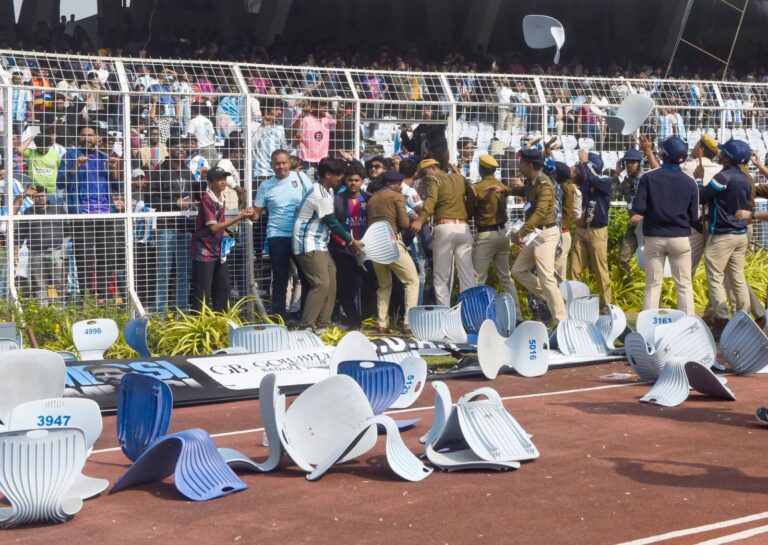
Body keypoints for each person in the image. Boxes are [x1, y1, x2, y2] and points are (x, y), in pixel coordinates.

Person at [293, 158, 363, 332]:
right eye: (338, 175)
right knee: (321, 283)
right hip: (308, 244)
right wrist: (350, 241)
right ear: (328, 174)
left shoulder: (327, 191)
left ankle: (322, 325)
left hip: (320, 244)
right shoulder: (320, 194)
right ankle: (305, 326)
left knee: (331, 281)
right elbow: (331, 222)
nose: (341, 178)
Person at [630, 136, 699, 314]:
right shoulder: (690, 181)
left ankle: (648, 324)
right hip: (680, 238)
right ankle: (689, 323)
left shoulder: (648, 177)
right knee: (684, 285)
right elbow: (694, 218)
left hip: (655, 238)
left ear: (663, 154)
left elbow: (639, 208)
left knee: (653, 285)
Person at [501, 148, 566, 325]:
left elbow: (540, 212)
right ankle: (555, 299)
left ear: (529, 165)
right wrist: (504, 190)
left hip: (546, 234)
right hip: (536, 234)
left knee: (546, 278)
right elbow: (523, 191)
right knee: (518, 271)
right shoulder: (532, 181)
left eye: (521, 163)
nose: (519, 165)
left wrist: (522, 232)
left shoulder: (545, 185)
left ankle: (562, 321)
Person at [698, 139, 752, 337]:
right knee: (737, 277)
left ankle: (722, 320)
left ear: (728, 158)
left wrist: (698, 179)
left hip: (723, 235)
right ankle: (743, 319)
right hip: (740, 234)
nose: (720, 154)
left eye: (723, 153)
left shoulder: (722, 177)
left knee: (715, 277)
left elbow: (702, 196)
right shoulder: (745, 179)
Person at [61, 124, 121, 301]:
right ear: (79, 138)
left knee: (107, 256)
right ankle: (86, 297)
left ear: (97, 138)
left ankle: (103, 296)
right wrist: (76, 167)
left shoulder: (104, 157)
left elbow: (117, 186)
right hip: (82, 214)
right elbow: (60, 182)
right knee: (84, 257)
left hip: (105, 213)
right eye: (84, 135)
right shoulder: (71, 155)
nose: (87, 138)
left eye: (91, 135)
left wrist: (113, 169)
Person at [252, 150, 311, 320]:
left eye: (284, 162)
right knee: (280, 279)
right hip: (277, 236)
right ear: (271, 165)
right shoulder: (265, 186)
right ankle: (279, 318)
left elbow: (314, 201)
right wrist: (249, 213)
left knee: (306, 278)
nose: (281, 166)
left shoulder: (301, 178)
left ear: (289, 163)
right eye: (277, 163)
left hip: (300, 235)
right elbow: (256, 215)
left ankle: (304, 317)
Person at [410, 158, 476, 307]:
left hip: (444, 227)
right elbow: (472, 195)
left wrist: (420, 220)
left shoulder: (433, 179)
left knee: (441, 276)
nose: (423, 176)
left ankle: (445, 313)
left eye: (424, 172)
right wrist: (468, 213)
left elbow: (431, 200)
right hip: (463, 227)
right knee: (467, 274)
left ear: (433, 168)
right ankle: (469, 311)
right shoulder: (459, 178)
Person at [191, 166, 254, 311]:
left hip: (218, 249)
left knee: (223, 287)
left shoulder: (221, 198)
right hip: (204, 250)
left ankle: (221, 318)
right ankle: (200, 320)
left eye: (224, 178)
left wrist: (227, 236)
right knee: (203, 291)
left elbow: (220, 224)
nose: (223, 182)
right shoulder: (207, 199)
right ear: (210, 183)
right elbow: (213, 227)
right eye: (219, 179)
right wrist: (240, 217)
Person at [367, 170, 419, 334]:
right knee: (412, 281)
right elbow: (404, 223)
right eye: (398, 185)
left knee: (384, 286)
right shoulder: (396, 196)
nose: (401, 188)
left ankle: (382, 324)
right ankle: (408, 323)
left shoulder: (372, 199)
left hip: (374, 245)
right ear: (391, 184)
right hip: (392, 241)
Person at [471, 155, 522, 322]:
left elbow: (470, 210)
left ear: (481, 169)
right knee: (505, 277)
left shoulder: (478, 188)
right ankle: (517, 315)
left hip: (486, 235)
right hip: (502, 233)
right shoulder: (501, 186)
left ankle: (477, 318)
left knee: (478, 279)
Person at [330, 161, 374, 330]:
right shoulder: (337, 200)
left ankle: (367, 319)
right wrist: (345, 243)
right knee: (347, 288)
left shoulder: (369, 199)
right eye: (350, 180)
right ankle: (353, 322)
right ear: (345, 180)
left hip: (366, 250)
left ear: (362, 181)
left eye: (356, 180)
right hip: (344, 251)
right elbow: (333, 226)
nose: (353, 183)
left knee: (368, 286)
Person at [571, 150, 613, 308]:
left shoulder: (605, 182)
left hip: (597, 232)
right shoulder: (584, 183)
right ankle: (574, 304)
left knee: (600, 270)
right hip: (581, 230)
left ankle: (607, 305)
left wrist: (584, 162)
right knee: (574, 269)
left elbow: (593, 178)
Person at [15, 185, 70, 304]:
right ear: (33, 198)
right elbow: (20, 234)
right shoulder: (28, 212)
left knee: (59, 283)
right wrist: (16, 251)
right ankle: (43, 309)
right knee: (39, 284)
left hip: (56, 250)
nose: (40, 198)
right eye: (37, 196)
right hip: (36, 253)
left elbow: (67, 229)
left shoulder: (58, 209)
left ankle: (59, 308)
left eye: (42, 196)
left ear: (47, 196)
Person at [614, 149, 644, 275]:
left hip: (648, 226)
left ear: (639, 163)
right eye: (627, 163)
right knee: (623, 260)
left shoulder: (646, 179)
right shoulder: (626, 182)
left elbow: (656, 200)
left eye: (633, 162)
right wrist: (616, 174)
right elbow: (612, 194)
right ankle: (629, 285)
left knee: (650, 260)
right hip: (633, 226)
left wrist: (642, 214)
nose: (630, 165)